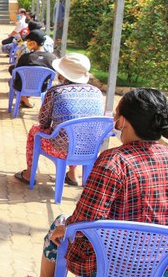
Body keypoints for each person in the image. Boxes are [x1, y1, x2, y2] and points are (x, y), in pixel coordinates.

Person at [16, 88, 168, 277]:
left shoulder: (114, 161)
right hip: (164, 269)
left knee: (60, 225)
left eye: (116, 114)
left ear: (123, 122)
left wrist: (68, 226)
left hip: (111, 263)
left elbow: (87, 217)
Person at [13, 53, 104, 186]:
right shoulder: (96, 92)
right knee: (77, 133)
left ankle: (29, 173)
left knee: (35, 130)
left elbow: (43, 122)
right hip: (90, 148)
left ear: (63, 74)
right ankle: (72, 174)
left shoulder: (56, 92)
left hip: (60, 149)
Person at [11, 29, 56, 108]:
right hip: (42, 88)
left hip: (22, 87)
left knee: (12, 79)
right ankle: (25, 99)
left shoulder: (25, 57)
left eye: (28, 41)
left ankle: (23, 98)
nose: (27, 43)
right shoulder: (52, 58)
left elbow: (17, 73)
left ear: (33, 43)